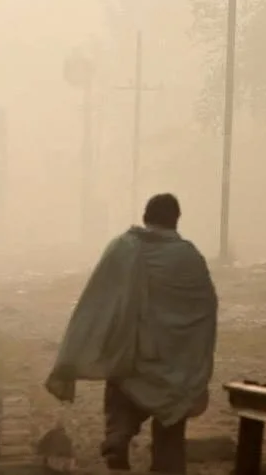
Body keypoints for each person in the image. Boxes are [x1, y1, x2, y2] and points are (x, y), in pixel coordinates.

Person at [45, 193, 217, 474]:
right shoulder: (190, 256)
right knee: (171, 426)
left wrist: (83, 349)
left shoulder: (125, 248)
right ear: (176, 221)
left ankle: (118, 438)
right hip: (178, 364)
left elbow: (97, 301)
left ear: (146, 217)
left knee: (122, 397)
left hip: (135, 354)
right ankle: (167, 465)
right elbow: (206, 309)